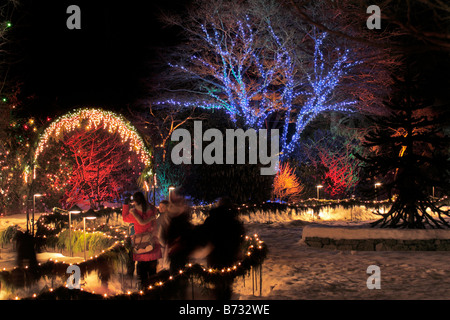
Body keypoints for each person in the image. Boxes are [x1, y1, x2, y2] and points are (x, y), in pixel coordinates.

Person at [199, 197, 245, 299]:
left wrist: (207, 245)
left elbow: (203, 234)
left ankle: (218, 296)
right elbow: (239, 235)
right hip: (229, 254)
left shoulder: (211, 219)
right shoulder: (233, 220)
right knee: (226, 281)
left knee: (217, 280)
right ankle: (225, 297)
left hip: (214, 254)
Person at [122, 191, 162, 289]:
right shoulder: (152, 209)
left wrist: (125, 205)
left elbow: (124, 218)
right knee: (153, 273)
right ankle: (154, 292)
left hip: (141, 245)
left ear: (135, 201)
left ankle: (144, 292)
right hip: (152, 243)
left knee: (142, 272)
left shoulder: (135, 213)